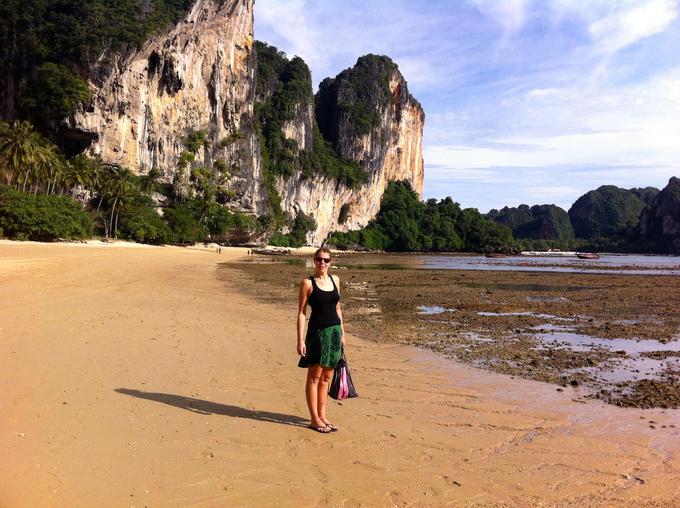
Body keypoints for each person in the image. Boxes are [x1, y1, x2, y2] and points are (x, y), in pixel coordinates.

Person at [297, 246, 345, 433]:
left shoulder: (335, 280)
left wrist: (342, 334)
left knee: (327, 376)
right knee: (314, 376)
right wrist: (300, 340)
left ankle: (323, 416)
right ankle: (314, 419)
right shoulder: (307, 283)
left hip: (334, 333)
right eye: (319, 259)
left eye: (326, 260)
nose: (322, 263)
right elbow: (302, 313)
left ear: (331, 262)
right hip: (317, 334)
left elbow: (338, 309)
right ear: (314, 261)